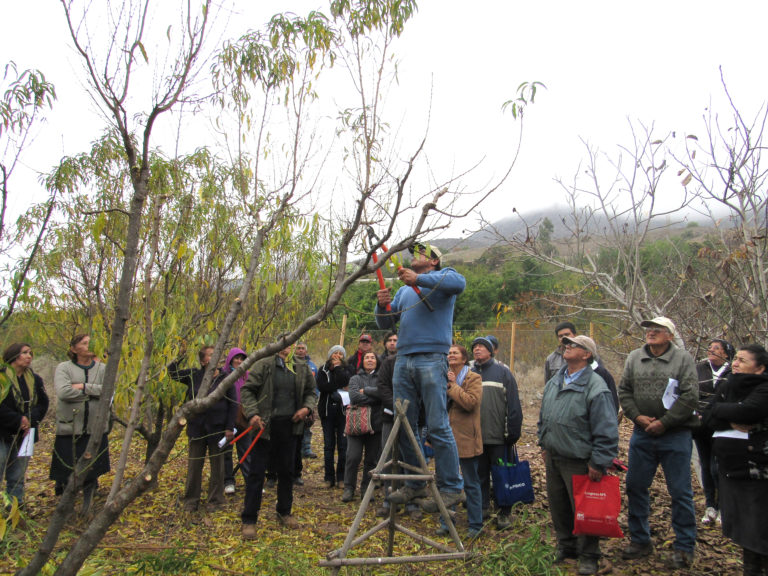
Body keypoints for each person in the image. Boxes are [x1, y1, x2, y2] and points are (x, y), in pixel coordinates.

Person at [375, 242, 466, 510]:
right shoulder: (404, 291)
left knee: (437, 425)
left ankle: (451, 487)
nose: (416, 256)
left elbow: (458, 282)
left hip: (431, 358)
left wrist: (419, 279)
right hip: (403, 359)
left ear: (435, 261)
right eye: (415, 253)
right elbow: (385, 323)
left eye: (422, 253)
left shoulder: (443, 280)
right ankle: (415, 484)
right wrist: (382, 307)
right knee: (404, 423)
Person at [619, 316, 699, 569]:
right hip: (642, 434)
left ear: (670, 336)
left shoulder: (683, 359)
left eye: (658, 329)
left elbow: (690, 396)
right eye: (649, 329)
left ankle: (684, 547)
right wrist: (638, 416)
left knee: (680, 491)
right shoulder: (634, 357)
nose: (651, 332)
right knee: (635, 486)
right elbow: (624, 391)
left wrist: (665, 422)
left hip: (675, 434)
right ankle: (640, 540)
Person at [538, 335, 618, 576]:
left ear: (587, 354)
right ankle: (567, 547)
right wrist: (544, 443)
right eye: (566, 344)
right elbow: (544, 414)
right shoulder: (555, 380)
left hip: (580, 460)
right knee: (559, 506)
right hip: (554, 456)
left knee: (586, 510)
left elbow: (607, 427)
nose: (567, 347)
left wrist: (599, 461)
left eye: (574, 345)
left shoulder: (596, 386)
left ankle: (589, 556)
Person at [240, 336, 316, 536]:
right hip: (264, 427)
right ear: (275, 346)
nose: (285, 348)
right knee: (256, 474)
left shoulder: (301, 367)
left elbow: (311, 392)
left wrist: (306, 408)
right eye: (282, 344)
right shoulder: (263, 365)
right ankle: (249, 519)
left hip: (290, 427)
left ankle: (284, 512)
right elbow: (247, 391)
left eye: (289, 344)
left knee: (286, 472)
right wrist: (253, 414)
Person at [702, 344, 768, 576]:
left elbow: (750, 411)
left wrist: (723, 411)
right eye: (736, 359)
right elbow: (707, 417)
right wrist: (729, 417)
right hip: (731, 470)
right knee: (743, 529)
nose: (736, 363)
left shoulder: (764, 388)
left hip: (758, 473)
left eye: (743, 360)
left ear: (760, 368)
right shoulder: (728, 385)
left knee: (759, 528)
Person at [169, 344, 236, 511]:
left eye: (216, 354)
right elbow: (172, 373)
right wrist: (180, 355)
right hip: (197, 428)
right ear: (202, 360)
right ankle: (191, 500)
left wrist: (229, 428)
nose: (214, 357)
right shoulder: (193, 375)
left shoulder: (225, 378)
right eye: (210, 355)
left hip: (218, 429)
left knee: (218, 467)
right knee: (194, 466)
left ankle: (215, 500)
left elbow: (233, 405)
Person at [49, 334, 109, 514]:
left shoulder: (103, 368)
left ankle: (87, 507)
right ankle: (66, 507)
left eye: (91, 342)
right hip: (70, 429)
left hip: (95, 428)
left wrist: (81, 386)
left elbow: (108, 391)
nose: (89, 345)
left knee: (92, 472)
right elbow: (64, 392)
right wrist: (93, 391)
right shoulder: (64, 368)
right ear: (74, 349)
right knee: (68, 471)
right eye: (84, 343)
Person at [471, 336, 523, 529]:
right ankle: (482, 508)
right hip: (477, 437)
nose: (477, 349)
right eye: (474, 347)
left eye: (481, 347)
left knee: (502, 475)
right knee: (480, 475)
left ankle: (504, 512)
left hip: (500, 437)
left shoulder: (503, 373)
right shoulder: (469, 373)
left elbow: (513, 404)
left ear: (490, 351)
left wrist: (513, 432)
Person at [435, 344, 482, 538]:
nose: (451, 355)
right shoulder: (440, 377)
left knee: (471, 482)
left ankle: (476, 524)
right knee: (446, 482)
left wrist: (453, 386)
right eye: (449, 353)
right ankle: (446, 522)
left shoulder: (474, 378)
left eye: (455, 353)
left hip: (466, 438)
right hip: (445, 438)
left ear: (464, 358)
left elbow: (470, 403)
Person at [0, 343, 49, 505]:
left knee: (18, 475)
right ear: (14, 355)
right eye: (25, 353)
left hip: (26, 433)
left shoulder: (34, 379)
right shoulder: (2, 376)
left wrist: (30, 419)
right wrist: (17, 419)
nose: (29, 356)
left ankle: (15, 508)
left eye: (31, 352)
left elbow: (43, 403)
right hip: (3, 433)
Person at [694, 338, 733, 525]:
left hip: (722, 426)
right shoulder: (700, 368)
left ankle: (724, 507)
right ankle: (710, 505)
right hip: (701, 426)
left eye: (716, 348)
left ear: (726, 353)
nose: (711, 351)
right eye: (709, 348)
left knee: (717, 467)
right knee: (705, 465)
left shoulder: (732, 371)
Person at [545, 322, 618, 410]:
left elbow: (607, 398)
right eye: (560, 336)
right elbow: (548, 386)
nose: (564, 338)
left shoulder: (595, 365)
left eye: (567, 334)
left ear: (587, 355)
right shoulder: (551, 359)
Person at [342, 351, 383, 502]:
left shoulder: (381, 378)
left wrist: (366, 391)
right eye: (367, 357)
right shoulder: (355, 378)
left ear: (377, 361)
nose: (370, 359)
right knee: (353, 457)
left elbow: (383, 394)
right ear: (362, 361)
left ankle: (367, 488)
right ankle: (349, 488)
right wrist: (375, 397)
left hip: (376, 424)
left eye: (373, 357)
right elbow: (354, 397)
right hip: (356, 424)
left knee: (371, 460)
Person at [316, 345, 352, 488]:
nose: (337, 356)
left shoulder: (347, 369)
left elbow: (346, 381)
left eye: (340, 354)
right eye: (334, 353)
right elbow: (322, 386)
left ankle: (341, 477)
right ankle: (328, 478)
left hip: (343, 413)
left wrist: (337, 369)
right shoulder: (323, 369)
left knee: (343, 446)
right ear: (330, 355)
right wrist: (337, 385)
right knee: (328, 446)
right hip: (326, 412)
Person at [220, 348, 248, 495]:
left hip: (243, 420)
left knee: (246, 451)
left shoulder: (246, 375)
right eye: (236, 358)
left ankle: (249, 480)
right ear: (230, 359)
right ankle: (228, 481)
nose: (239, 361)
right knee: (227, 453)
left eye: (242, 359)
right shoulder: (224, 376)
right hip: (227, 421)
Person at [294, 341, 318, 459]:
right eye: (298, 348)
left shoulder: (312, 366)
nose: (300, 350)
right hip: (295, 401)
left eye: (303, 348)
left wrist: (313, 401)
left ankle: (307, 449)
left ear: (306, 351)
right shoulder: (290, 364)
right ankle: (296, 450)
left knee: (307, 426)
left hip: (308, 401)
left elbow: (315, 385)